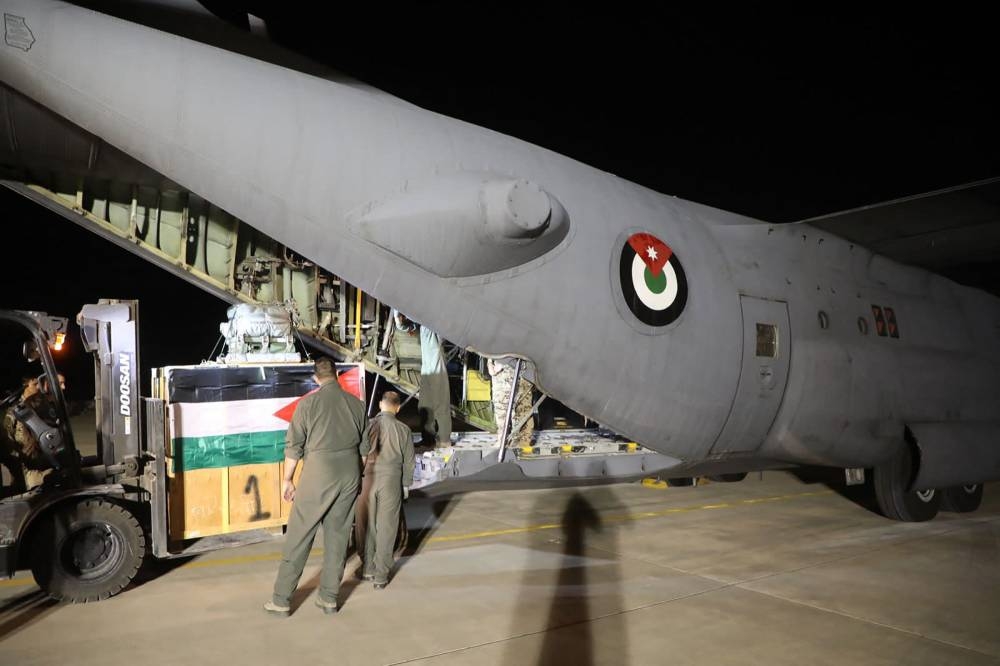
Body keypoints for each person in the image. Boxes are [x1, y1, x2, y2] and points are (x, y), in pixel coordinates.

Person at [265, 356, 367, 617]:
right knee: (338, 536)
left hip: (320, 473)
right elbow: (364, 452)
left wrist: (287, 479)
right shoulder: (357, 405)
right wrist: (357, 476)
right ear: (336, 375)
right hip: (349, 472)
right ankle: (329, 598)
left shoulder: (308, 404)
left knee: (299, 535)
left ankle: (281, 600)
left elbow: (294, 448)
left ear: (315, 378)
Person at [355, 390, 415, 589]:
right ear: (397, 408)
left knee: (366, 525)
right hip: (391, 480)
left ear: (381, 405)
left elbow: (357, 452)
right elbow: (409, 462)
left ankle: (367, 568)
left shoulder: (368, 425)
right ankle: (381, 576)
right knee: (387, 527)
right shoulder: (404, 430)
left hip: (367, 478)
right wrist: (406, 485)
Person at [394, 311, 452, 448]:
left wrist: (400, 310)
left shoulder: (431, 317)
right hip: (427, 365)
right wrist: (398, 318)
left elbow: (416, 316)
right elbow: (406, 326)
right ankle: (428, 438)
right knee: (425, 404)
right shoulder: (423, 323)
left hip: (436, 362)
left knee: (440, 402)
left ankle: (444, 439)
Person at [488, 358, 535, 448]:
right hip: (501, 366)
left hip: (511, 366)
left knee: (511, 405)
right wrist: (489, 363)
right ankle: (506, 438)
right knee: (502, 404)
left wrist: (504, 363)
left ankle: (513, 438)